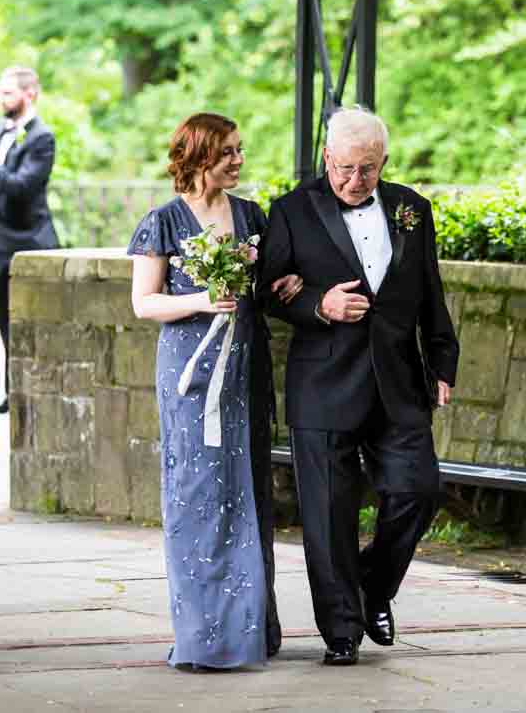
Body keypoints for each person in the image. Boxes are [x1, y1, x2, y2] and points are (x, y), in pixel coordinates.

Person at [257, 106, 460, 666]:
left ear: (383, 163)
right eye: (345, 169)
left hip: (399, 382)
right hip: (322, 385)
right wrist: (316, 303)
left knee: (418, 491)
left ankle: (372, 588)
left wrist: (443, 360)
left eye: (367, 170)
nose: (354, 181)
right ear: (327, 158)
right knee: (327, 515)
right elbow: (267, 291)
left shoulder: (411, 209)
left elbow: (429, 289)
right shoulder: (292, 211)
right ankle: (341, 630)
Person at [128, 112, 302, 670]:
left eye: (239, 150)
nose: (238, 161)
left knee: (250, 491)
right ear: (200, 155)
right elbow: (144, 302)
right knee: (196, 498)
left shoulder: (251, 217)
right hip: (190, 378)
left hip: (245, 373)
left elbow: (270, 293)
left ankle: (253, 630)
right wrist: (202, 301)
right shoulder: (163, 221)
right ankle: (203, 637)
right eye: (228, 152)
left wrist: (288, 286)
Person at [0, 66, 59, 415]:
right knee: (4, 320)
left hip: (31, 241)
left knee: (34, 321)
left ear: (29, 94)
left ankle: (37, 395)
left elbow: (23, 187)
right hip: (1, 243)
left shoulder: (42, 137)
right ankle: (13, 394)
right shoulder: (0, 130)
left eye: (7, 93)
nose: (1, 99)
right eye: (0, 92)